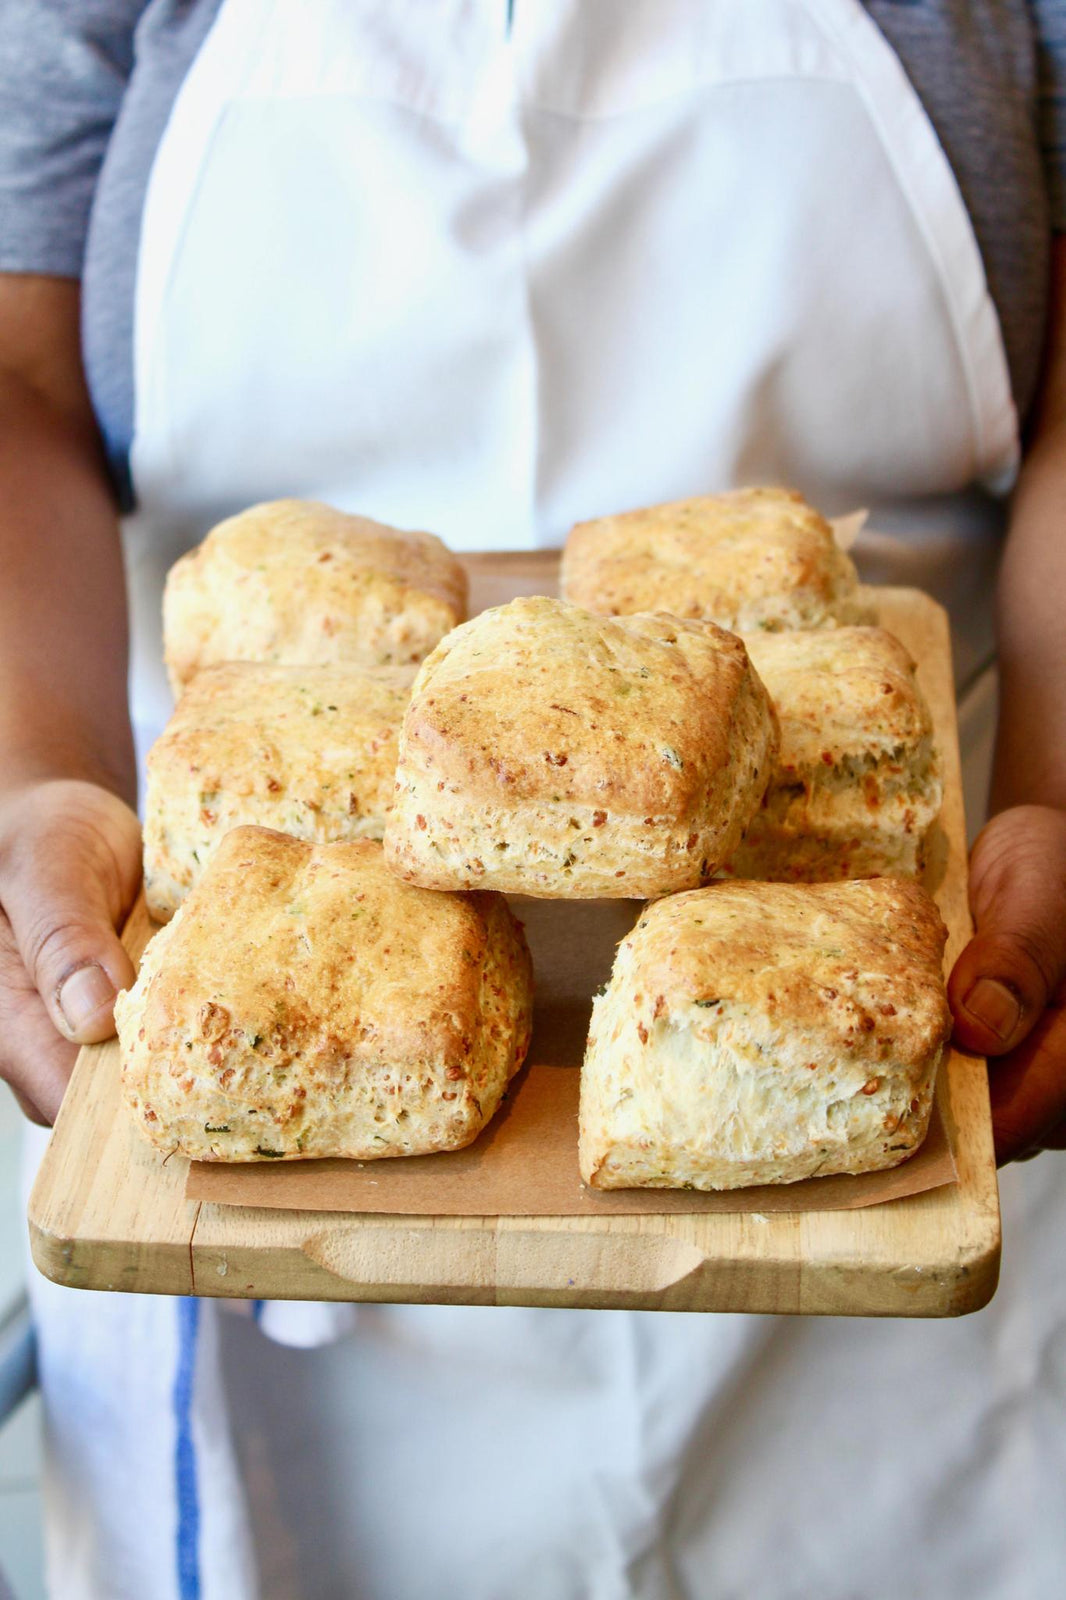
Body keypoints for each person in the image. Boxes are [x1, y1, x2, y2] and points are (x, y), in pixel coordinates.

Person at [2, 2, 1065, 1596]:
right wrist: (38, 768)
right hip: (249, 1117)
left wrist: (1057, 788)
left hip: (895, 1027)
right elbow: (21, 368)